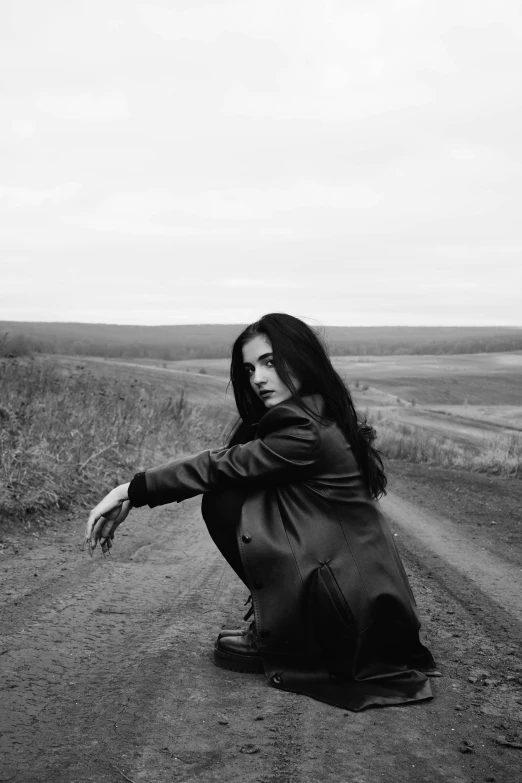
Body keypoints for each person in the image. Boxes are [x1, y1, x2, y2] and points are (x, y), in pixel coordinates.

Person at [85, 313, 436, 712]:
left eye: (270, 362)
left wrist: (131, 489)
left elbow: (219, 465)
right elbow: (235, 460)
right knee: (242, 492)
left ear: (302, 358)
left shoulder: (304, 428)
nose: (258, 378)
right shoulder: (320, 411)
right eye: (250, 368)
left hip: (351, 614)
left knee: (224, 496)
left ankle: (300, 635)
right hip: (371, 604)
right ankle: (289, 621)